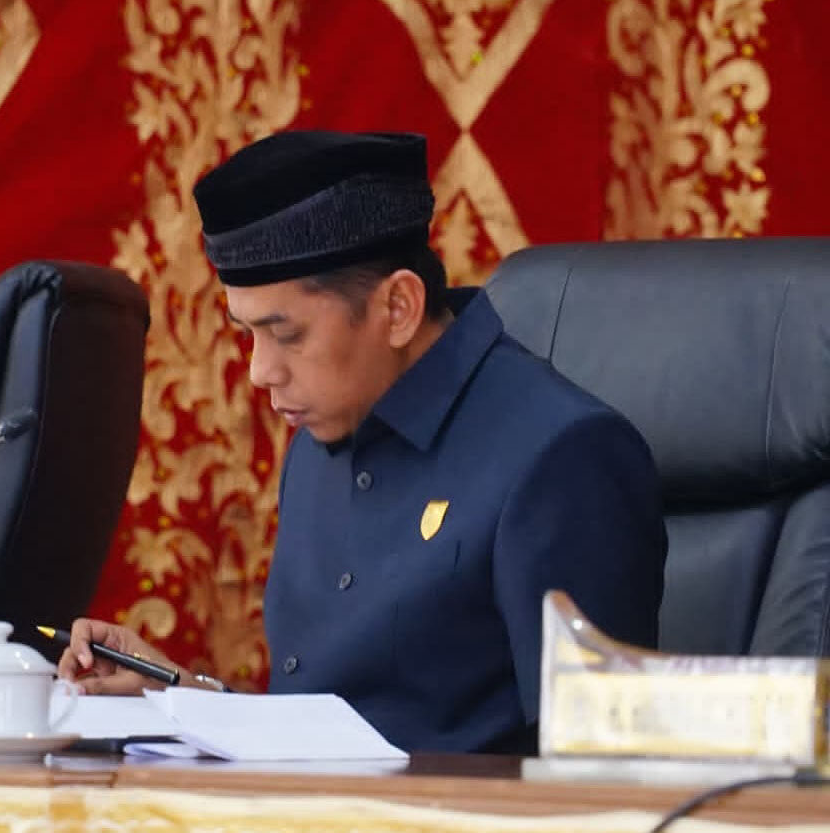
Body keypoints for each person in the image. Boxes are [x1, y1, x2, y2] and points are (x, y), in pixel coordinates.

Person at [58, 130, 667, 754]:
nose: (259, 372)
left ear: (398, 307)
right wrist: (179, 696)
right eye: (247, 335)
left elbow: (603, 767)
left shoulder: (561, 455)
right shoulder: (319, 437)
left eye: (286, 335)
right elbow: (334, 732)